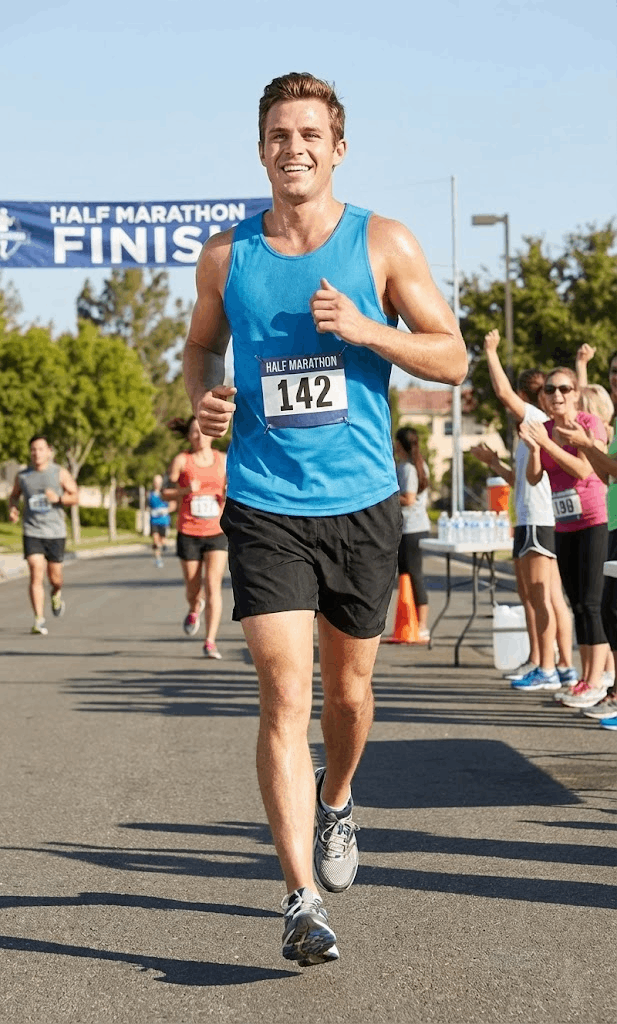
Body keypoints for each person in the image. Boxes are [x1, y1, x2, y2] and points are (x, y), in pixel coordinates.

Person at [182, 72, 467, 966]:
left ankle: (337, 796)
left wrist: (367, 330)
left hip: (362, 503)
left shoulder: (381, 242)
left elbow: (452, 357)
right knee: (282, 696)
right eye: (279, 134)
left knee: (347, 696)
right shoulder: (226, 255)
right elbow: (200, 346)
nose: (293, 148)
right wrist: (204, 403)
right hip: (264, 502)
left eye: (309, 134)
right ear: (259, 149)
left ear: (337, 148)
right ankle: (300, 898)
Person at [472, 330, 575, 691]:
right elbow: (520, 478)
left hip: (538, 519)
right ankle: (555, 664)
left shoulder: (535, 416)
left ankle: (549, 666)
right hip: (532, 518)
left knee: (541, 597)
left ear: (526, 396)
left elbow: (502, 391)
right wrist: (494, 463)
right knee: (544, 596)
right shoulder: (531, 428)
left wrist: (490, 351)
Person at [520, 367, 610, 708]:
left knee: (592, 603)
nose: (556, 395)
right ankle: (584, 679)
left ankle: (596, 680)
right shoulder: (543, 429)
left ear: (576, 393)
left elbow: (584, 470)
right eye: (549, 389)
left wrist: (547, 444)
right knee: (577, 604)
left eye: (564, 388)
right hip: (564, 524)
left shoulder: (588, 423)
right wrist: (534, 448)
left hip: (594, 520)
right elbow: (533, 478)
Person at [558, 351, 617, 727]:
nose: (615, 378)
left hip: (597, 520)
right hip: (606, 523)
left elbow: (600, 470)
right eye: (613, 371)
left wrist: (585, 443)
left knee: (602, 607)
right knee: (599, 608)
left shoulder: (597, 425)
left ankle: (601, 683)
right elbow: (607, 472)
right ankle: (601, 684)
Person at [164, 417, 228, 659]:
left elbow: (235, 487)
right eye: (193, 431)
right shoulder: (182, 461)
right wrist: (184, 491)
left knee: (213, 585)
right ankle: (194, 606)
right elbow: (164, 493)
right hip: (189, 531)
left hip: (216, 532)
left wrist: (227, 493)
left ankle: (210, 641)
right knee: (193, 588)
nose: (199, 435)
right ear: (189, 436)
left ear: (211, 433)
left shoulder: (223, 460)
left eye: (202, 431)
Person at [8, 434, 78, 635]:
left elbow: (75, 496)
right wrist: (13, 509)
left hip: (55, 532)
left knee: (55, 578)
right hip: (32, 531)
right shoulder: (23, 476)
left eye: (40, 449)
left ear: (49, 451)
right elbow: (14, 496)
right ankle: (38, 619)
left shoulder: (59, 473)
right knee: (35, 570)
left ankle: (56, 593)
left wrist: (59, 499)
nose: (36, 453)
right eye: (33, 449)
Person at [394, 427, 431, 642]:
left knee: (414, 575)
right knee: (408, 575)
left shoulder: (409, 468)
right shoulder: (415, 465)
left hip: (412, 528)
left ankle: (422, 625)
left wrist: (387, 497)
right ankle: (411, 622)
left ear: (400, 444)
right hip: (412, 527)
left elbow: (408, 499)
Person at [147, 474, 172, 568]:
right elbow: (147, 506)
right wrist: (151, 511)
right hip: (154, 520)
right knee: (155, 540)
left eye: (159, 482)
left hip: (164, 521)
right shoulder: (150, 494)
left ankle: (163, 547)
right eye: (155, 482)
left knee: (162, 541)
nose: (157, 484)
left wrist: (166, 510)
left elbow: (172, 505)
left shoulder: (166, 493)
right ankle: (158, 558)